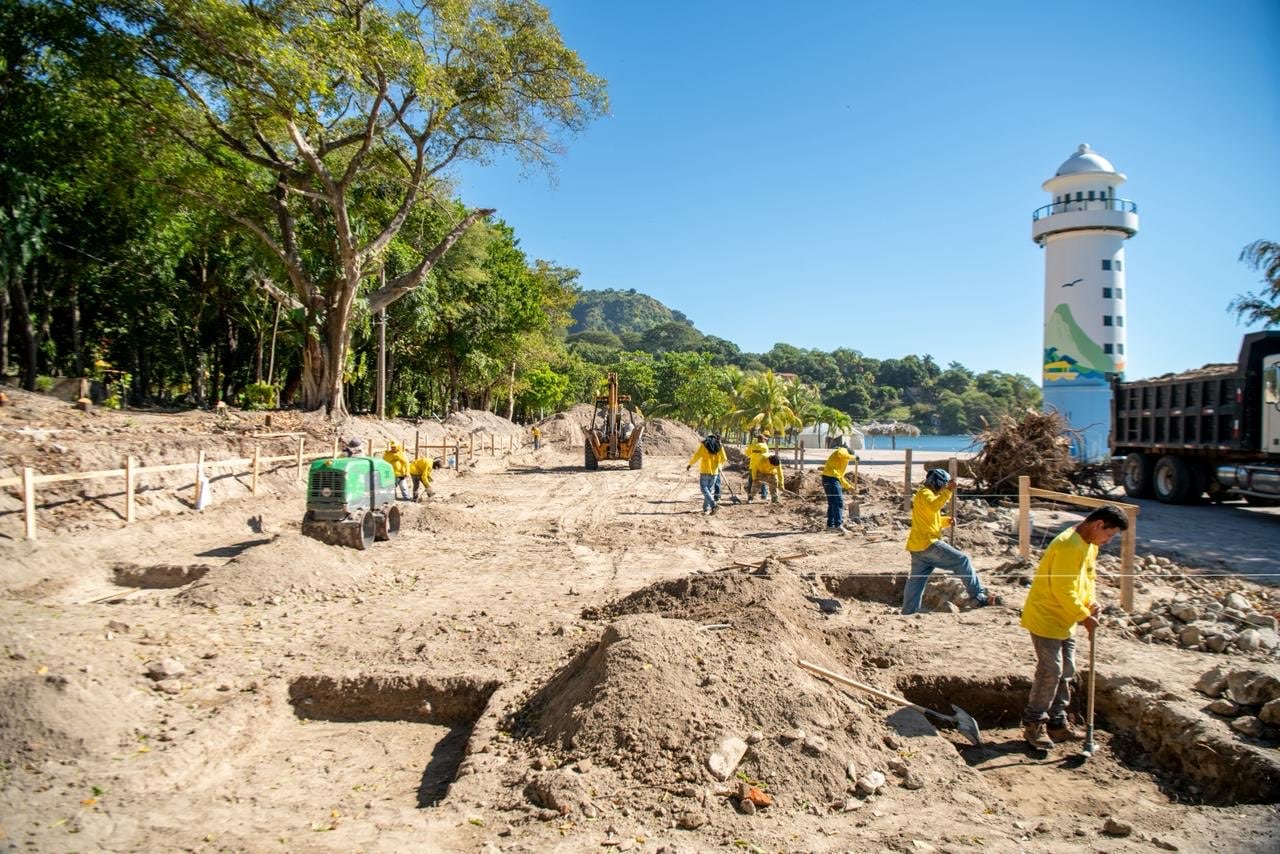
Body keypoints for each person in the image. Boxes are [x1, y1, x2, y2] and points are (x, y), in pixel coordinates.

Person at [1020, 505, 1129, 750]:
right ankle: (1034, 723)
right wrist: (1083, 616)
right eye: (1109, 534)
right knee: (1051, 670)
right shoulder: (1068, 545)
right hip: (1047, 616)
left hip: (1066, 618)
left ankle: (1057, 722)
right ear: (1098, 524)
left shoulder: (1089, 545)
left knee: (1067, 670)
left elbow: (1087, 579)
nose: (1108, 540)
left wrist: (1091, 603)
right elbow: (1063, 589)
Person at [901, 468, 998, 613]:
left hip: (917, 547)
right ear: (938, 482)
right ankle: (978, 596)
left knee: (916, 581)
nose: (943, 488)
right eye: (943, 485)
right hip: (928, 543)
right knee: (962, 560)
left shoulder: (923, 496)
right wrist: (949, 491)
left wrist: (945, 521)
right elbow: (934, 506)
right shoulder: (925, 493)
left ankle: (908, 612)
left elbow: (929, 519)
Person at [820, 440, 857, 531]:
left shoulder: (839, 462)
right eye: (848, 458)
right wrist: (854, 457)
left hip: (827, 479)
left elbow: (840, 477)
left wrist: (849, 487)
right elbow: (841, 454)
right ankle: (838, 525)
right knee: (838, 502)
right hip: (831, 479)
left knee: (832, 503)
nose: (848, 460)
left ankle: (830, 525)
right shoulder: (843, 450)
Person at [687, 433, 727, 515]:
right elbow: (724, 458)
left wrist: (690, 464)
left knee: (704, 489)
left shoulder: (704, 445)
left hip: (705, 471)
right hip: (715, 472)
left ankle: (713, 505)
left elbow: (697, 456)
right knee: (709, 490)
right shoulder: (719, 445)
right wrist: (719, 465)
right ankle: (706, 509)